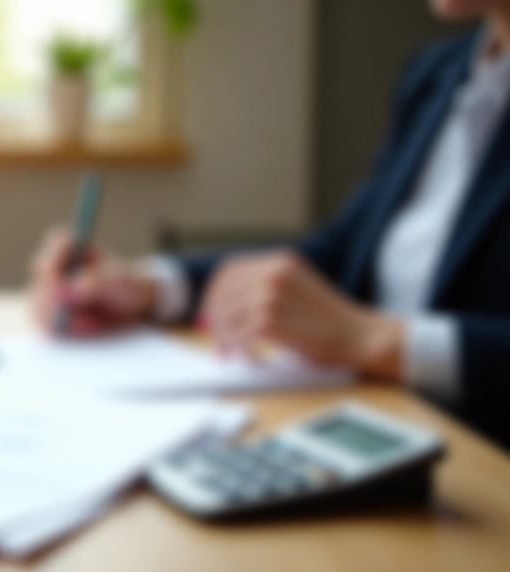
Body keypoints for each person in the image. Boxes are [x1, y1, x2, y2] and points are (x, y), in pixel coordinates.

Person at [29, 0, 510, 450]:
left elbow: (358, 327)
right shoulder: (435, 74)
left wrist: (376, 339)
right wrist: (151, 287)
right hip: (383, 423)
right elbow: (345, 252)